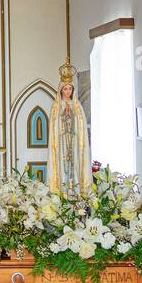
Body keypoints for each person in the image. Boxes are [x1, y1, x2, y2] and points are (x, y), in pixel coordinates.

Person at [48, 59, 92, 192]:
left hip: (74, 142)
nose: (67, 92)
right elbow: (54, 126)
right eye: (65, 89)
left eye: (70, 89)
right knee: (62, 167)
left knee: (76, 166)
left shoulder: (77, 106)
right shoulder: (56, 106)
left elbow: (81, 125)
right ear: (60, 90)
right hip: (61, 142)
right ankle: (61, 192)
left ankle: (77, 192)